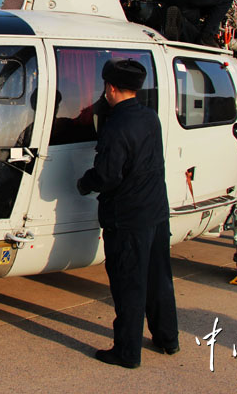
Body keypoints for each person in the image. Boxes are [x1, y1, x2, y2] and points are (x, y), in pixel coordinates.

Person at [77, 58, 178, 369]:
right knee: (158, 279)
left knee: (128, 284)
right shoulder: (149, 117)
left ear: (110, 87)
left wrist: (84, 183)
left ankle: (127, 351)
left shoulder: (116, 126)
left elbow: (107, 175)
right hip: (155, 213)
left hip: (127, 218)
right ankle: (167, 338)